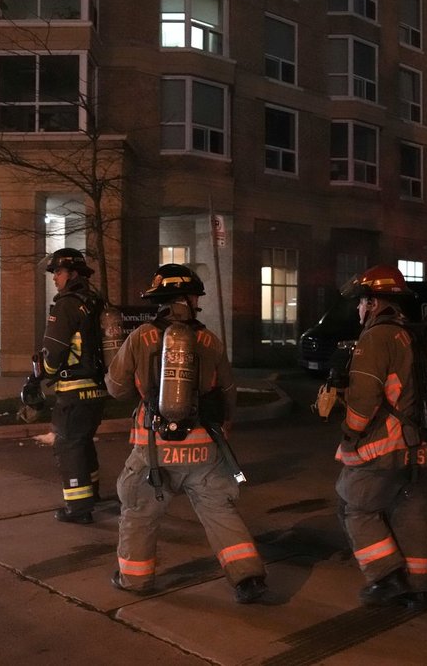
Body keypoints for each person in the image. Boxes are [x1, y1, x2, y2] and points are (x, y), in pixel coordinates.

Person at [104, 264, 267, 604]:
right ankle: (248, 578)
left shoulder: (141, 337)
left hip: (153, 449)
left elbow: (117, 388)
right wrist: (225, 427)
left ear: (160, 300)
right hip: (203, 450)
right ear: (191, 299)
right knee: (219, 510)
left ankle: (134, 581)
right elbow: (228, 392)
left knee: (138, 511)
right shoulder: (210, 340)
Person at [335, 264, 427, 609]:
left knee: (355, 507)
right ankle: (418, 589)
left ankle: (386, 577)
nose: (358, 308)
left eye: (361, 301)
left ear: (374, 302)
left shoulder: (376, 337)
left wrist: (350, 432)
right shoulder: (413, 333)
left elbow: (364, 398)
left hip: (388, 446)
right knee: (408, 515)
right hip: (424, 446)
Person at [35, 248, 107, 525]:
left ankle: (78, 509)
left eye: (58, 272)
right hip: (97, 390)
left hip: (74, 390)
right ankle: (92, 494)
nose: (55, 278)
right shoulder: (95, 302)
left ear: (73, 274)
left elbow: (53, 352)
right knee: (83, 442)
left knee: (69, 446)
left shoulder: (66, 305)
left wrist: (44, 374)